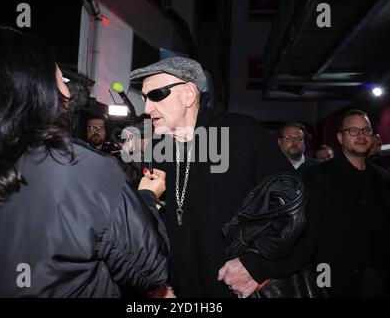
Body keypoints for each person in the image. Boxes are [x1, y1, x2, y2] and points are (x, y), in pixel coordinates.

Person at [0, 26, 169, 297]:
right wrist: (146, 198)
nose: (67, 93)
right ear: (38, 90)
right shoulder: (84, 169)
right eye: (60, 81)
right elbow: (150, 267)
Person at [129, 57, 314, 298]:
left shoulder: (241, 133)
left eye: (156, 95)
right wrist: (159, 283)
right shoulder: (156, 149)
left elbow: (298, 207)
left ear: (188, 94)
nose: (147, 108)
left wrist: (256, 267)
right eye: (144, 98)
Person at [305, 109, 390, 297]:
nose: (361, 136)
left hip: (376, 281)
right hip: (329, 278)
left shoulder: (387, 181)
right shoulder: (316, 177)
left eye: (366, 130)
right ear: (340, 138)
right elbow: (307, 233)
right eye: (353, 131)